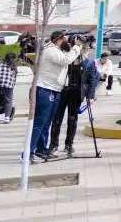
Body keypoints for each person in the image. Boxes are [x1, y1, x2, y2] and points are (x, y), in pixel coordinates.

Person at [30, 30, 82, 161]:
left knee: (47, 122)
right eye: (65, 39)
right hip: (45, 89)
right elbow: (66, 60)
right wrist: (76, 47)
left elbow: (67, 58)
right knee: (40, 122)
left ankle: (41, 150)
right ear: (58, 39)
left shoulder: (58, 50)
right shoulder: (50, 50)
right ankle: (28, 152)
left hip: (54, 90)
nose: (67, 42)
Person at [49, 46, 99, 157]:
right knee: (57, 119)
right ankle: (53, 145)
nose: (84, 51)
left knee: (72, 119)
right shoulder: (66, 60)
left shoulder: (89, 63)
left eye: (85, 49)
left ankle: (69, 144)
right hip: (62, 92)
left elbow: (93, 79)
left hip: (77, 94)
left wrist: (90, 96)